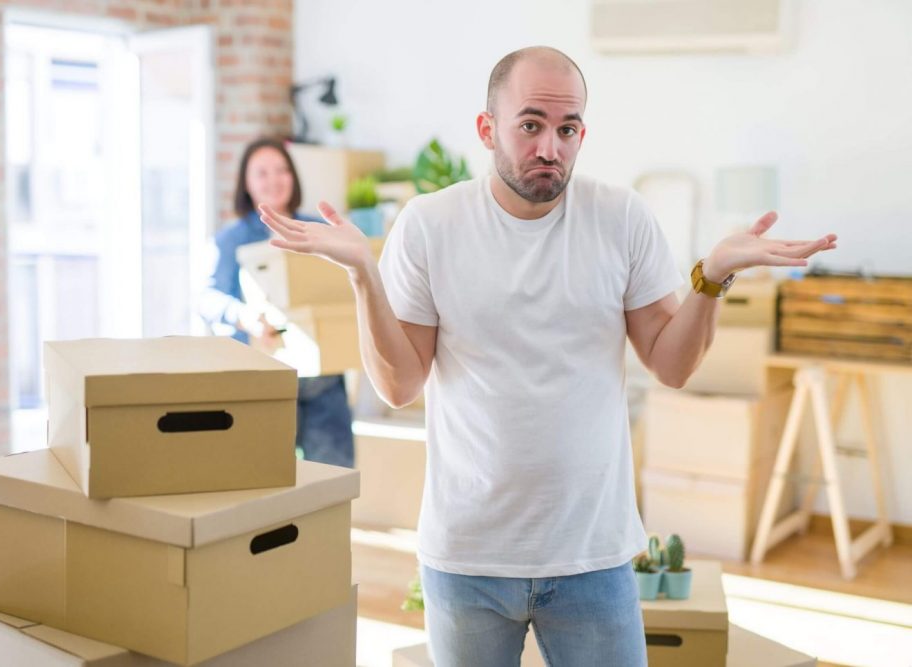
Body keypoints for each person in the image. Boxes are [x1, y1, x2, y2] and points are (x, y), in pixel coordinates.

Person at [258, 47, 837, 666]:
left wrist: (713, 276)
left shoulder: (621, 219)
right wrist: (363, 278)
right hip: (467, 558)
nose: (550, 147)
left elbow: (672, 365)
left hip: (593, 555)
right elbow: (400, 384)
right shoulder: (430, 225)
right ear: (487, 129)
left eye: (567, 130)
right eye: (530, 125)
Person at [200, 137, 354, 469]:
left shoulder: (317, 229)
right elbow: (208, 299)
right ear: (246, 182)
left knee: (331, 482)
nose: (274, 180)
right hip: (262, 379)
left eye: (282, 170)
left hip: (323, 380)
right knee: (263, 482)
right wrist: (244, 316)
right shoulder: (232, 239)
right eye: (262, 172)